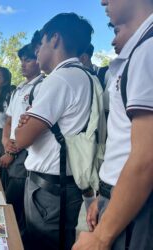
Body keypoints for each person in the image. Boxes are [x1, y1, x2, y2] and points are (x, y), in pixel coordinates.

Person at [73, 0, 153, 249]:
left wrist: (100, 237)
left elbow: (146, 157)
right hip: (120, 197)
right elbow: (125, 144)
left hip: (134, 207)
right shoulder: (141, 51)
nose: (103, 1)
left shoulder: (148, 51)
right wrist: (104, 195)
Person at [14, 13, 95, 250]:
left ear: (55, 39)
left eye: (41, 44)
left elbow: (22, 138)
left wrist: (23, 124)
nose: (37, 51)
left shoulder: (59, 79)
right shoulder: (85, 77)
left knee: (40, 244)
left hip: (49, 192)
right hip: (67, 186)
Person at [1, 42, 43, 234]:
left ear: (38, 59)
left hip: (24, 154)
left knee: (12, 206)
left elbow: (33, 129)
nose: (23, 64)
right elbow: (9, 120)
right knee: (5, 197)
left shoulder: (42, 87)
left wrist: (11, 151)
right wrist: (5, 143)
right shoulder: (18, 90)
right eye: (21, 60)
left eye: (28, 60)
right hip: (10, 149)